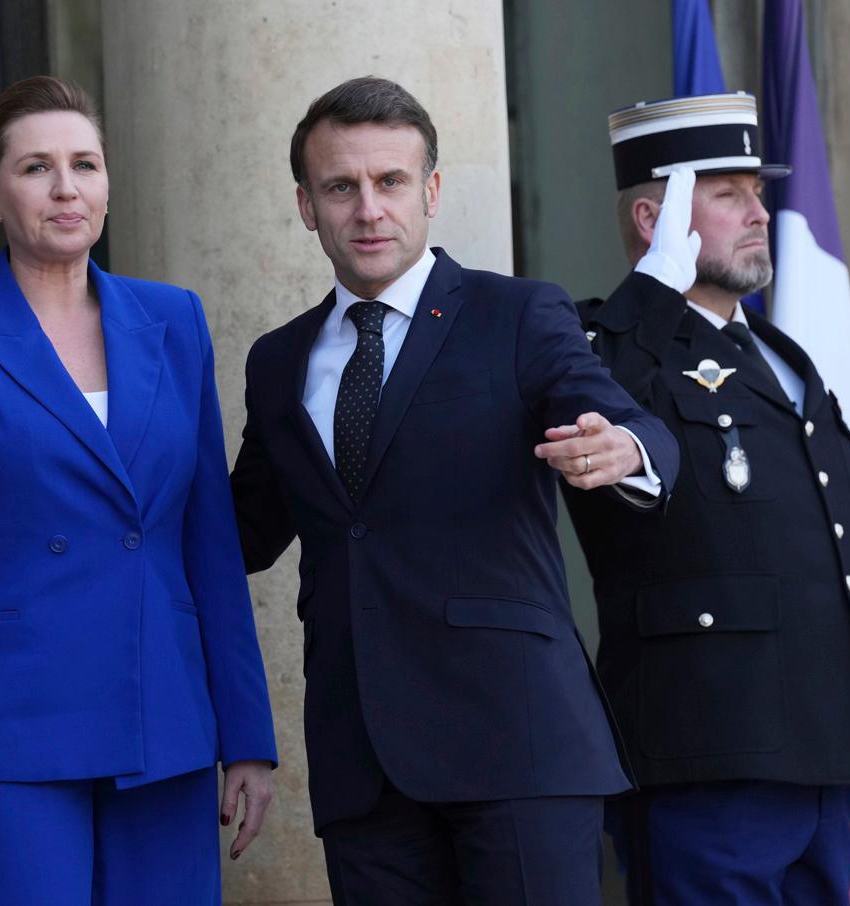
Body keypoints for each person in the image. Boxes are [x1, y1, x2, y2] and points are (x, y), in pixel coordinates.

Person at [230, 76, 679, 904]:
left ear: (431, 191)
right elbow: (242, 533)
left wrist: (626, 448)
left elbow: (612, 413)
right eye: (341, 186)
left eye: (391, 182)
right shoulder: (278, 360)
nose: (369, 209)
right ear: (306, 205)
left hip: (517, 749)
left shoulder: (518, 315)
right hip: (362, 765)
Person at [0, 76, 276, 904]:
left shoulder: (175, 322)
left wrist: (248, 737)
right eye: (35, 168)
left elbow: (209, 541)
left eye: (84, 165)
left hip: (163, 722)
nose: (66, 189)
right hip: (4, 740)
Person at [562, 92, 850, 905]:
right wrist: (652, 291)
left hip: (821, 747)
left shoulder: (781, 354)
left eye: (758, 190)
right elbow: (592, 392)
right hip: (707, 751)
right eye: (727, 194)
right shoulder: (601, 346)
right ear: (656, 219)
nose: (759, 212)